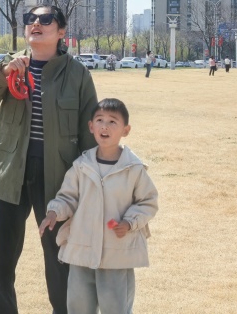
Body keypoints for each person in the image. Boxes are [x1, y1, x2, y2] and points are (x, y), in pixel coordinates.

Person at [0, 4, 98, 314]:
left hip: (58, 179)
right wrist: (3, 74)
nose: (36, 23)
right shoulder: (11, 65)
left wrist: (88, 186)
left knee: (60, 260)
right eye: (30, 19)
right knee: (0, 261)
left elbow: (89, 132)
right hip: (11, 173)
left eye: (46, 19)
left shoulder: (77, 73)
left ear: (61, 31)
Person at [39, 98, 158, 314]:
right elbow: (68, 197)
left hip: (116, 254)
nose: (105, 126)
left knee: (115, 308)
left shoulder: (133, 169)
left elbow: (147, 202)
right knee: (78, 307)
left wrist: (129, 223)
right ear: (91, 126)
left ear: (126, 130)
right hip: (81, 251)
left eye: (113, 121)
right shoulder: (81, 166)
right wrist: (54, 212)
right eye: (100, 120)